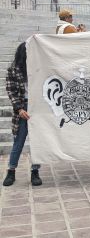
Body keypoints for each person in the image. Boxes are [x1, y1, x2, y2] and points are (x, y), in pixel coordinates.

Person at [3, 42, 42, 186]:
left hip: (37, 108)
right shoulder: (13, 70)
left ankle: (35, 172)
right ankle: (11, 172)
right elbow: (11, 91)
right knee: (18, 142)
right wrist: (19, 109)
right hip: (22, 108)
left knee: (37, 143)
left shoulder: (37, 68)